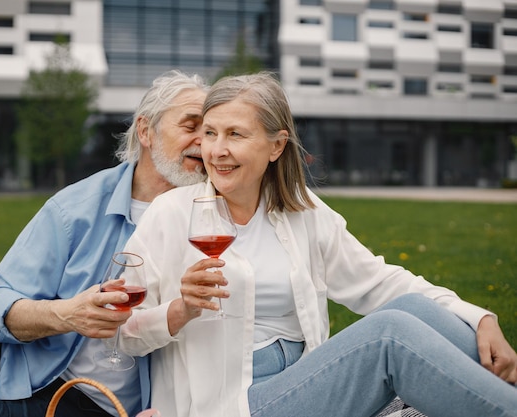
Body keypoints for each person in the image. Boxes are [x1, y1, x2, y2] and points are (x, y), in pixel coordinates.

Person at [118, 72, 517, 417]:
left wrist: (478, 317)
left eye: (235, 134)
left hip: (302, 384)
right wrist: (180, 310)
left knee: (409, 308)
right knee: (389, 335)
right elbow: (124, 333)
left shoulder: (301, 210)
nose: (216, 150)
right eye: (210, 133)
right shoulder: (172, 214)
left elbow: (381, 283)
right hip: (232, 405)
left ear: (276, 146)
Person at [0, 70, 209, 417]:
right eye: (191, 126)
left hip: (93, 401)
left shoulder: (208, 221)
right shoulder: (77, 206)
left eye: (210, 132)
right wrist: (68, 315)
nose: (204, 142)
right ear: (146, 131)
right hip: (9, 349)